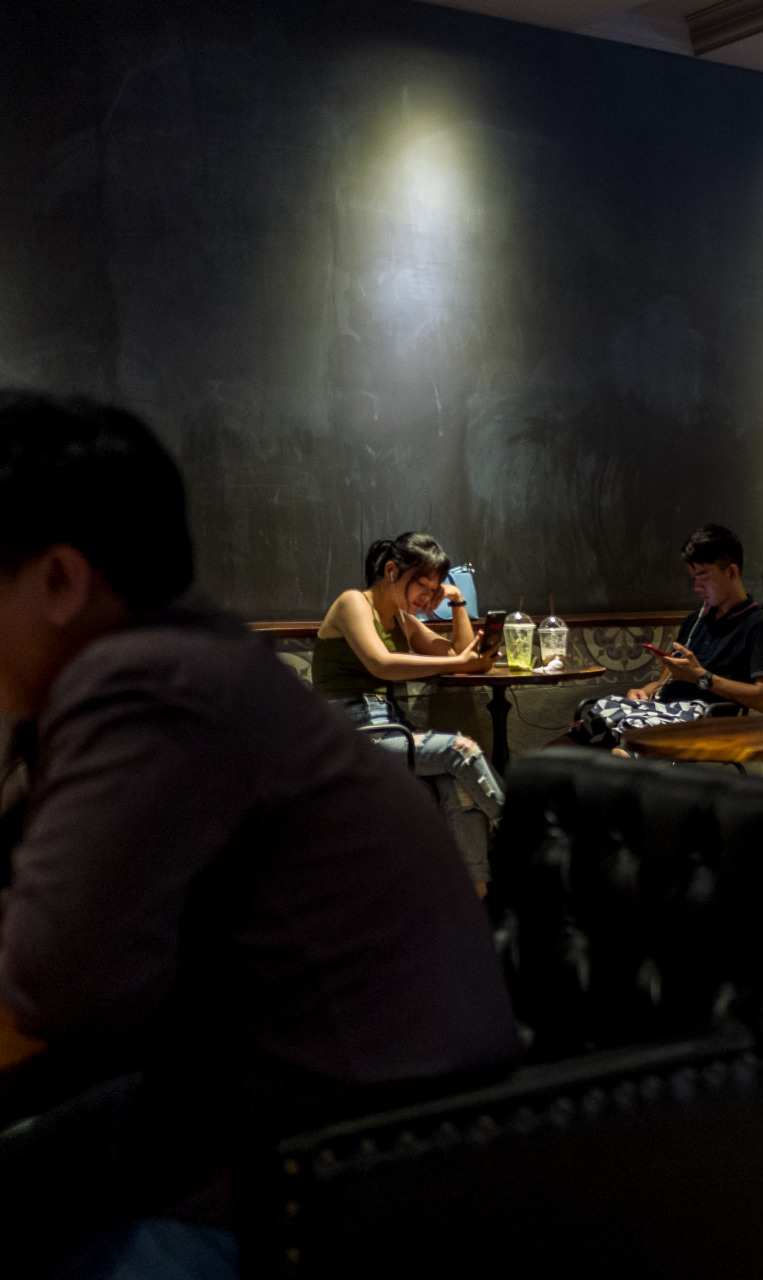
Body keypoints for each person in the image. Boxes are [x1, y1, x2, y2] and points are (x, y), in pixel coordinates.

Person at [0, 394, 520, 1276]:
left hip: (346, 1170)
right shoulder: (187, 665)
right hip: (359, 1119)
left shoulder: (144, 686)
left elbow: (54, 987)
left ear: (59, 578)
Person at [313, 533, 504, 887]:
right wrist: (458, 663)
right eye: (423, 586)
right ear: (391, 572)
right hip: (350, 735)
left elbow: (463, 659)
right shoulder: (353, 603)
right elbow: (381, 664)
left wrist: (458, 600)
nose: (429, 598)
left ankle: (477, 893)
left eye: (436, 589)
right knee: (462, 751)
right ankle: (528, 834)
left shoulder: (403, 620)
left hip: (390, 730)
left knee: (454, 782)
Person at [573, 525, 763, 746]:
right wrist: (642, 691)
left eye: (703, 577)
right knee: (575, 737)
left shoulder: (757, 626)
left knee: (612, 750)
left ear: (731, 572)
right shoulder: (695, 622)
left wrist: (702, 677)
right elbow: (664, 682)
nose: (696, 587)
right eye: (693, 577)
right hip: (659, 711)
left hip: (699, 722)